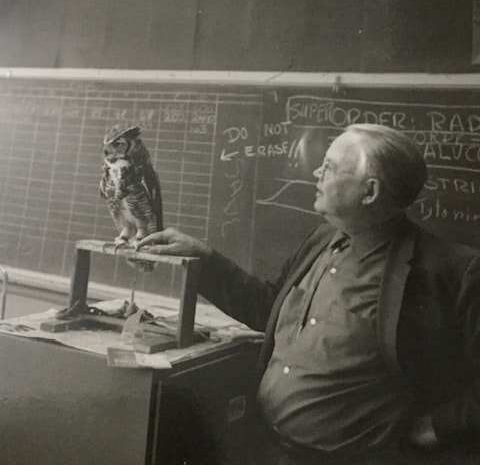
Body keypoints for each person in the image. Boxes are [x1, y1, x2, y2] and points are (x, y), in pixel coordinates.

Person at [138, 124, 480, 465]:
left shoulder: (449, 270)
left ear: (370, 191)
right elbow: (270, 309)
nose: (317, 172)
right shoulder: (320, 240)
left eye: (329, 167)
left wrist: (439, 426)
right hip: (268, 449)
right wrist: (203, 259)